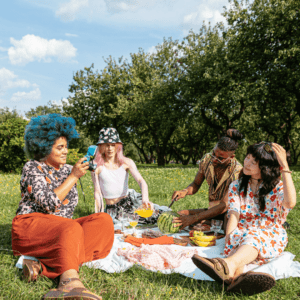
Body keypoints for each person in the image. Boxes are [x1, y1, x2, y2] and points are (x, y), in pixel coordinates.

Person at [12, 114, 114, 300]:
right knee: (71, 226)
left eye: (66, 146)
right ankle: (69, 283)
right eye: (60, 147)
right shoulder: (32, 167)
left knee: (103, 221)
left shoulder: (67, 169)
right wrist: (74, 177)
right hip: (30, 227)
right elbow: (49, 204)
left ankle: (42, 267)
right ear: (43, 148)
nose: (66, 151)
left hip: (62, 231)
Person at [192, 142, 296, 295]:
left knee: (252, 238)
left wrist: (285, 167)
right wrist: (229, 239)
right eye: (247, 158)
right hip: (243, 231)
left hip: (269, 233)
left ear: (265, 168)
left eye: (253, 162)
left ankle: (224, 265)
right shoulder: (237, 185)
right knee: (239, 240)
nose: (246, 163)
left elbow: (290, 202)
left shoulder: (278, 187)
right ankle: (236, 280)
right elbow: (234, 214)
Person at [172, 129, 244, 231]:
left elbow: (224, 206)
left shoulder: (237, 172)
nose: (214, 159)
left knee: (225, 227)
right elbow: (196, 184)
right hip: (212, 210)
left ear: (231, 157)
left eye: (220, 158)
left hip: (228, 213)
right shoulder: (206, 160)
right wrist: (185, 191)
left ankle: (208, 223)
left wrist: (194, 219)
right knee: (180, 215)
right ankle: (206, 222)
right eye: (213, 153)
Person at [91, 127, 157, 223]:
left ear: (118, 146)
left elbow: (141, 181)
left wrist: (145, 199)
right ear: (101, 147)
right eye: (106, 145)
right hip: (111, 209)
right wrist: (99, 214)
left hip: (129, 203)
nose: (110, 148)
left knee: (155, 218)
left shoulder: (127, 162)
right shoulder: (96, 166)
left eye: (113, 145)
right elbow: (97, 193)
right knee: (115, 229)